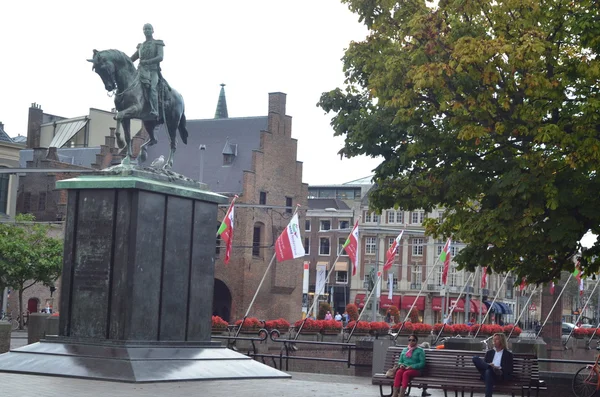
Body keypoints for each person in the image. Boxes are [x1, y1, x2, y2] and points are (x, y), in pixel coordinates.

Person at [131, 23, 164, 119]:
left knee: (153, 88)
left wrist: (148, 62)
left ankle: (155, 110)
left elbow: (160, 57)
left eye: (149, 29)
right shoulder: (141, 46)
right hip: (141, 71)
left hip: (153, 71)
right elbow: (132, 58)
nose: (147, 30)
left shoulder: (158, 43)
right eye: (145, 29)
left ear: (153, 30)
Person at [472, 333, 514, 397]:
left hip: (499, 375)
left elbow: (509, 370)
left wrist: (498, 368)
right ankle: (490, 367)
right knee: (475, 358)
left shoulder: (508, 355)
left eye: (496, 340)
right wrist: (490, 366)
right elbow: (484, 365)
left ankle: (491, 368)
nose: (494, 341)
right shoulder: (489, 353)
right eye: (493, 340)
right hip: (487, 374)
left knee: (489, 371)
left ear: (502, 341)